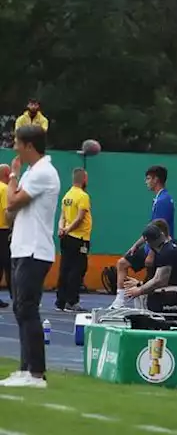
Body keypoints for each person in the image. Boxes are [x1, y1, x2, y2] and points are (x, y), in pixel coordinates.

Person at [1, 125, 60, 388]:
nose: (14, 147)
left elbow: (11, 203)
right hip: (22, 247)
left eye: (16, 142)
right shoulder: (31, 173)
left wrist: (12, 175)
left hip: (35, 249)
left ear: (28, 145)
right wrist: (15, 185)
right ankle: (26, 369)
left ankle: (36, 373)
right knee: (20, 308)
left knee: (27, 308)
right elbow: (9, 211)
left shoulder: (42, 172)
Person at [111, 165, 177, 308]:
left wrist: (152, 254)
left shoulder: (163, 201)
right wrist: (136, 245)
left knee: (152, 282)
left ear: (156, 179)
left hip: (155, 250)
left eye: (148, 178)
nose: (146, 182)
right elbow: (151, 230)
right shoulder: (159, 199)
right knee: (122, 263)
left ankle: (131, 303)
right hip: (150, 247)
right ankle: (120, 301)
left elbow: (159, 231)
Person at [122, 221, 177, 313]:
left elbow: (160, 281)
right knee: (147, 291)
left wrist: (139, 290)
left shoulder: (166, 253)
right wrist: (140, 284)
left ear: (148, 243)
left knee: (151, 297)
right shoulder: (168, 248)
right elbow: (162, 279)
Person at [55, 168, 92, 312]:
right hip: (79, 238)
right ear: (84, 179)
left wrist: (61, 229)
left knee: (65, 268)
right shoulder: (83, 196)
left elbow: (62, 217)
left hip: (66, 238)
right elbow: (80, 217)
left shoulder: (67, 195)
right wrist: (69, 229)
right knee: (77, 270)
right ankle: (72, 301)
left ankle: (61, 301)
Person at [0, 163, 11, 309]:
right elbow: (7, 210)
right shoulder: (5, 189)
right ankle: (16, 296)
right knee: (8, 265)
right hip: (2, 230)